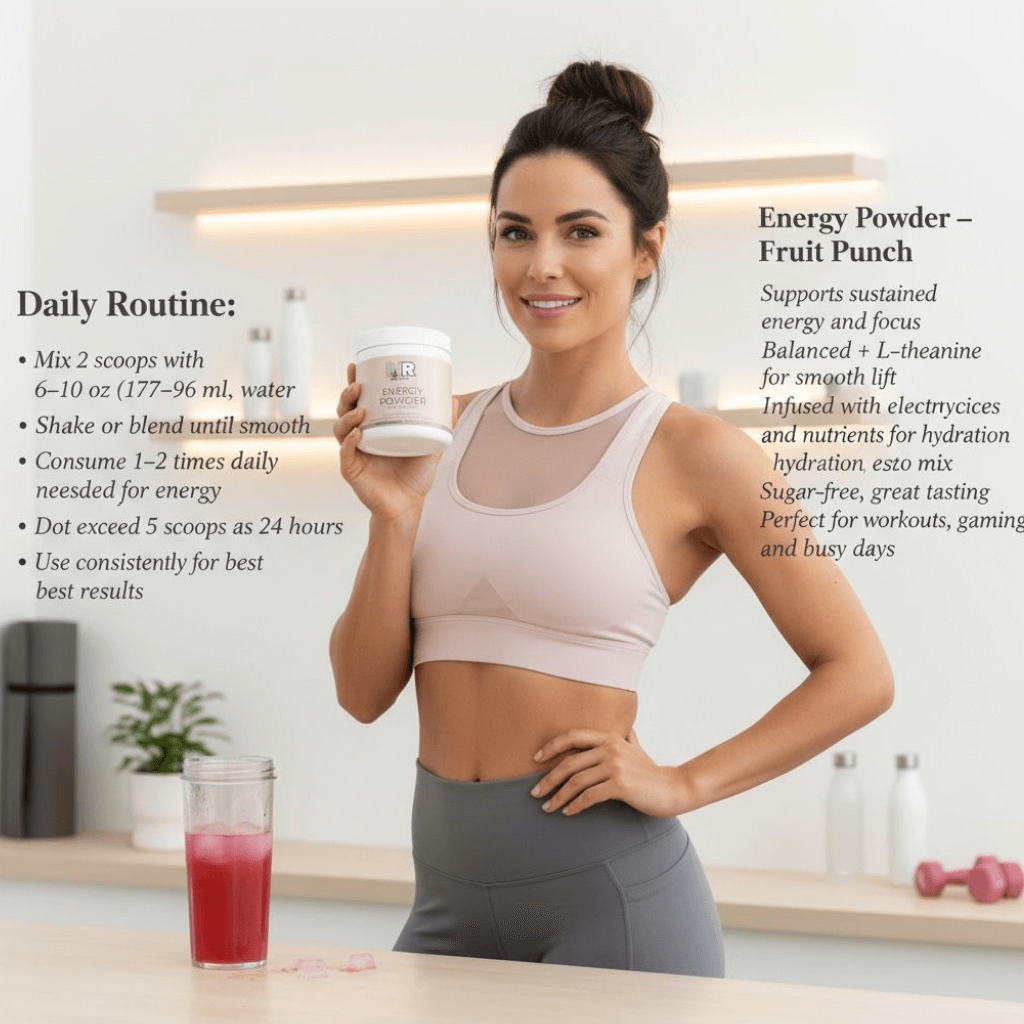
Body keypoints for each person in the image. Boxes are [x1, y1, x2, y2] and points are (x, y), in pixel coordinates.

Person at [329, 59, 893, 978]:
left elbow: (859, 672)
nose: (541, 265)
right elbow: (361, 694)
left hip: (614, 905)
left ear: (646, 248)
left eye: (579, 232)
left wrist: (683, 783)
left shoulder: (698, 455)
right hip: (445, 905)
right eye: (515, 233)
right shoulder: (439, 430)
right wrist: (393, 516)